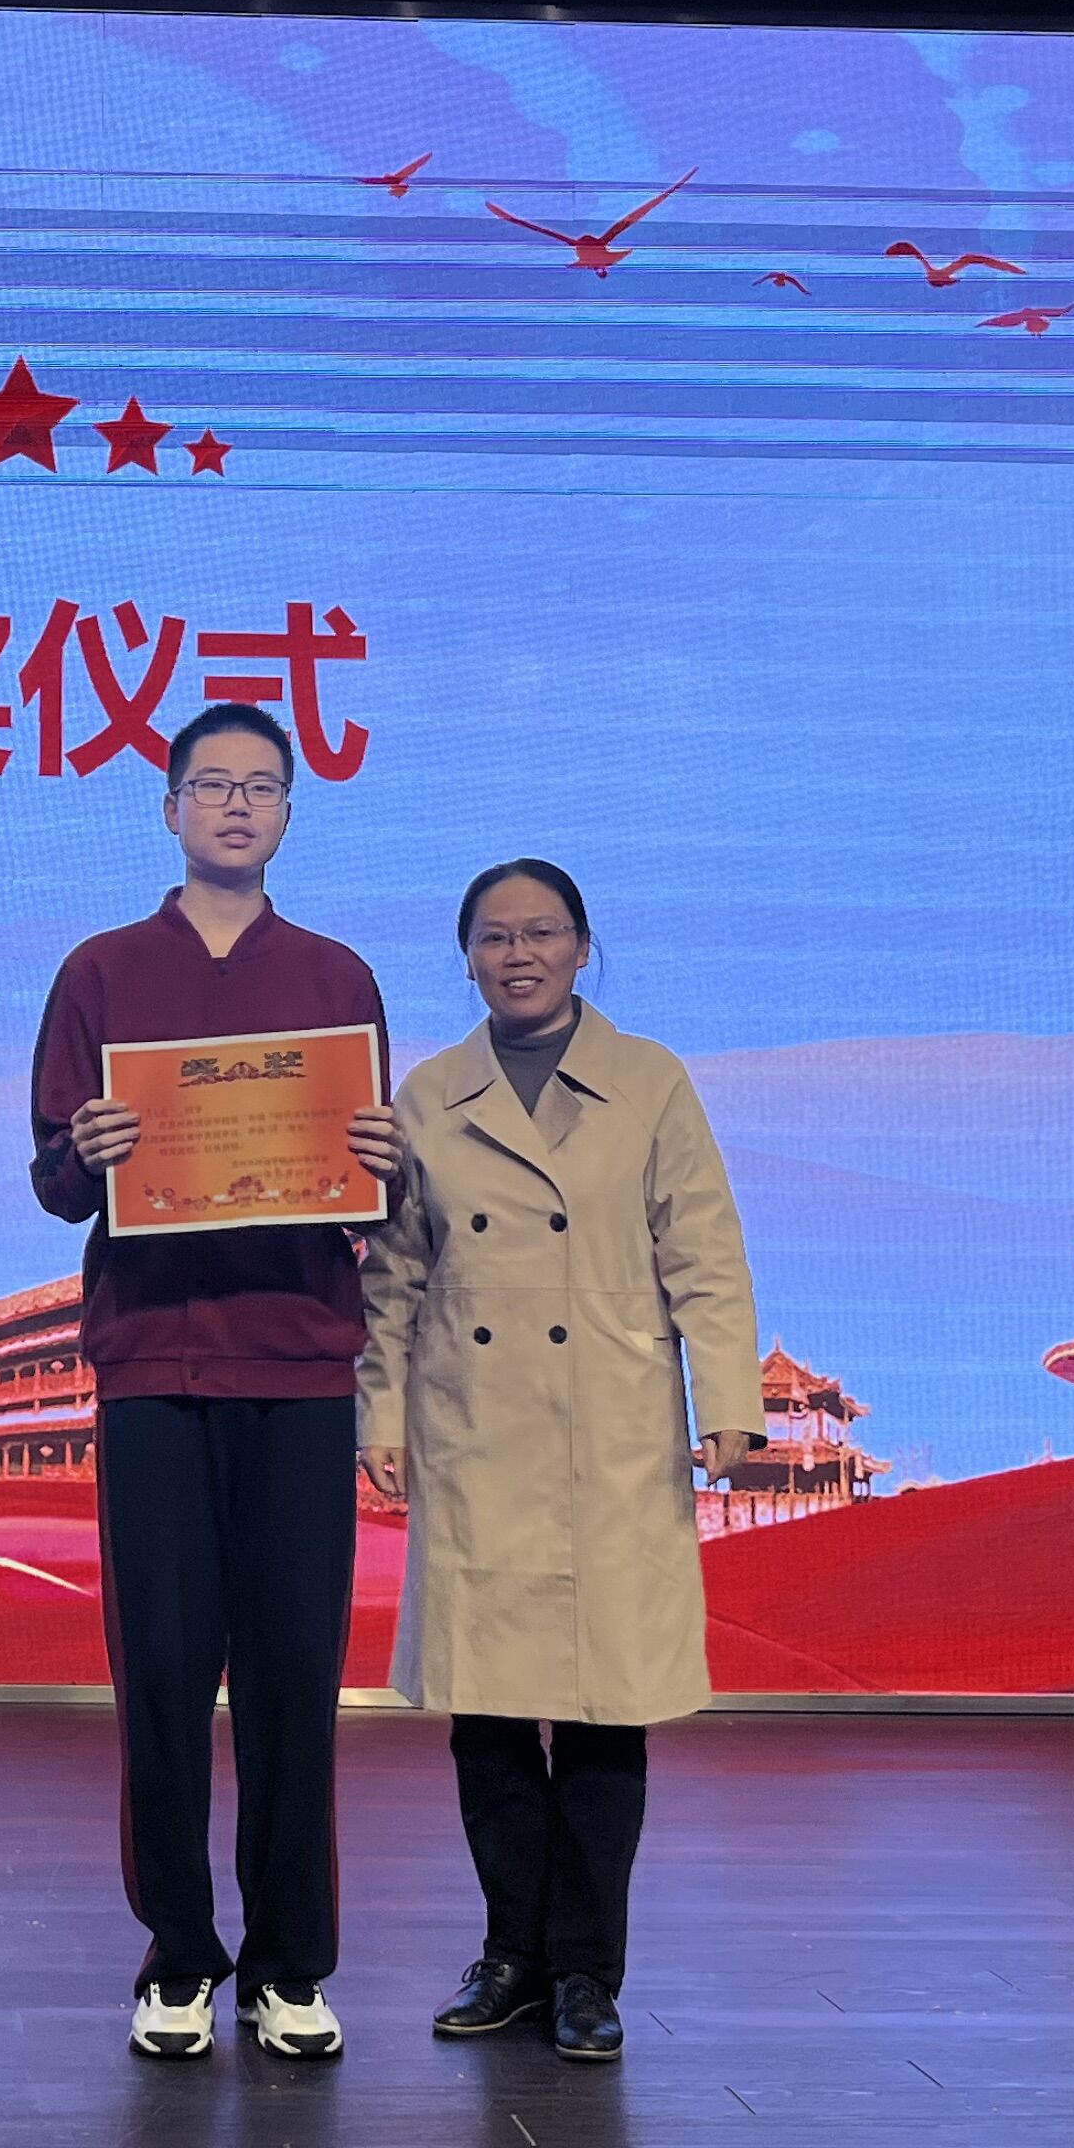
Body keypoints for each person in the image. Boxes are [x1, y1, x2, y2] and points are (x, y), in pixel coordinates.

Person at [29, 703, 401, 2065]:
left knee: (297, 1675)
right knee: (166, 1672)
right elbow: (54, 1179)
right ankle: (180, 1954)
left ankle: (291, 1965)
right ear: (170, 808)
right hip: (156, 1361)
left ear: (290, 812)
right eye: (212, 784)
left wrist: (383, 1161)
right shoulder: (101, 972)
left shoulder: (337, 976)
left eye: (261, 786)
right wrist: (86, 1150)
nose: (236, 805)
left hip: (299, 1360)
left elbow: (365, 1184)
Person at [358, 858, 766, 2062]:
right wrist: (379, 1416)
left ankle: (587, 1970)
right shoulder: (429, 1095)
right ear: (467, 958)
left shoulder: (650, 1082)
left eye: (542, 933)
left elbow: (705, 1249)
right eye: (494, 938)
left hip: (609, 1428)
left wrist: (728, 1398)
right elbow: (395, 1274)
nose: (518, 955)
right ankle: (511, 1955)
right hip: (476, 1426)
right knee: (485, 1715)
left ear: (585, 947)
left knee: (604, 1714)